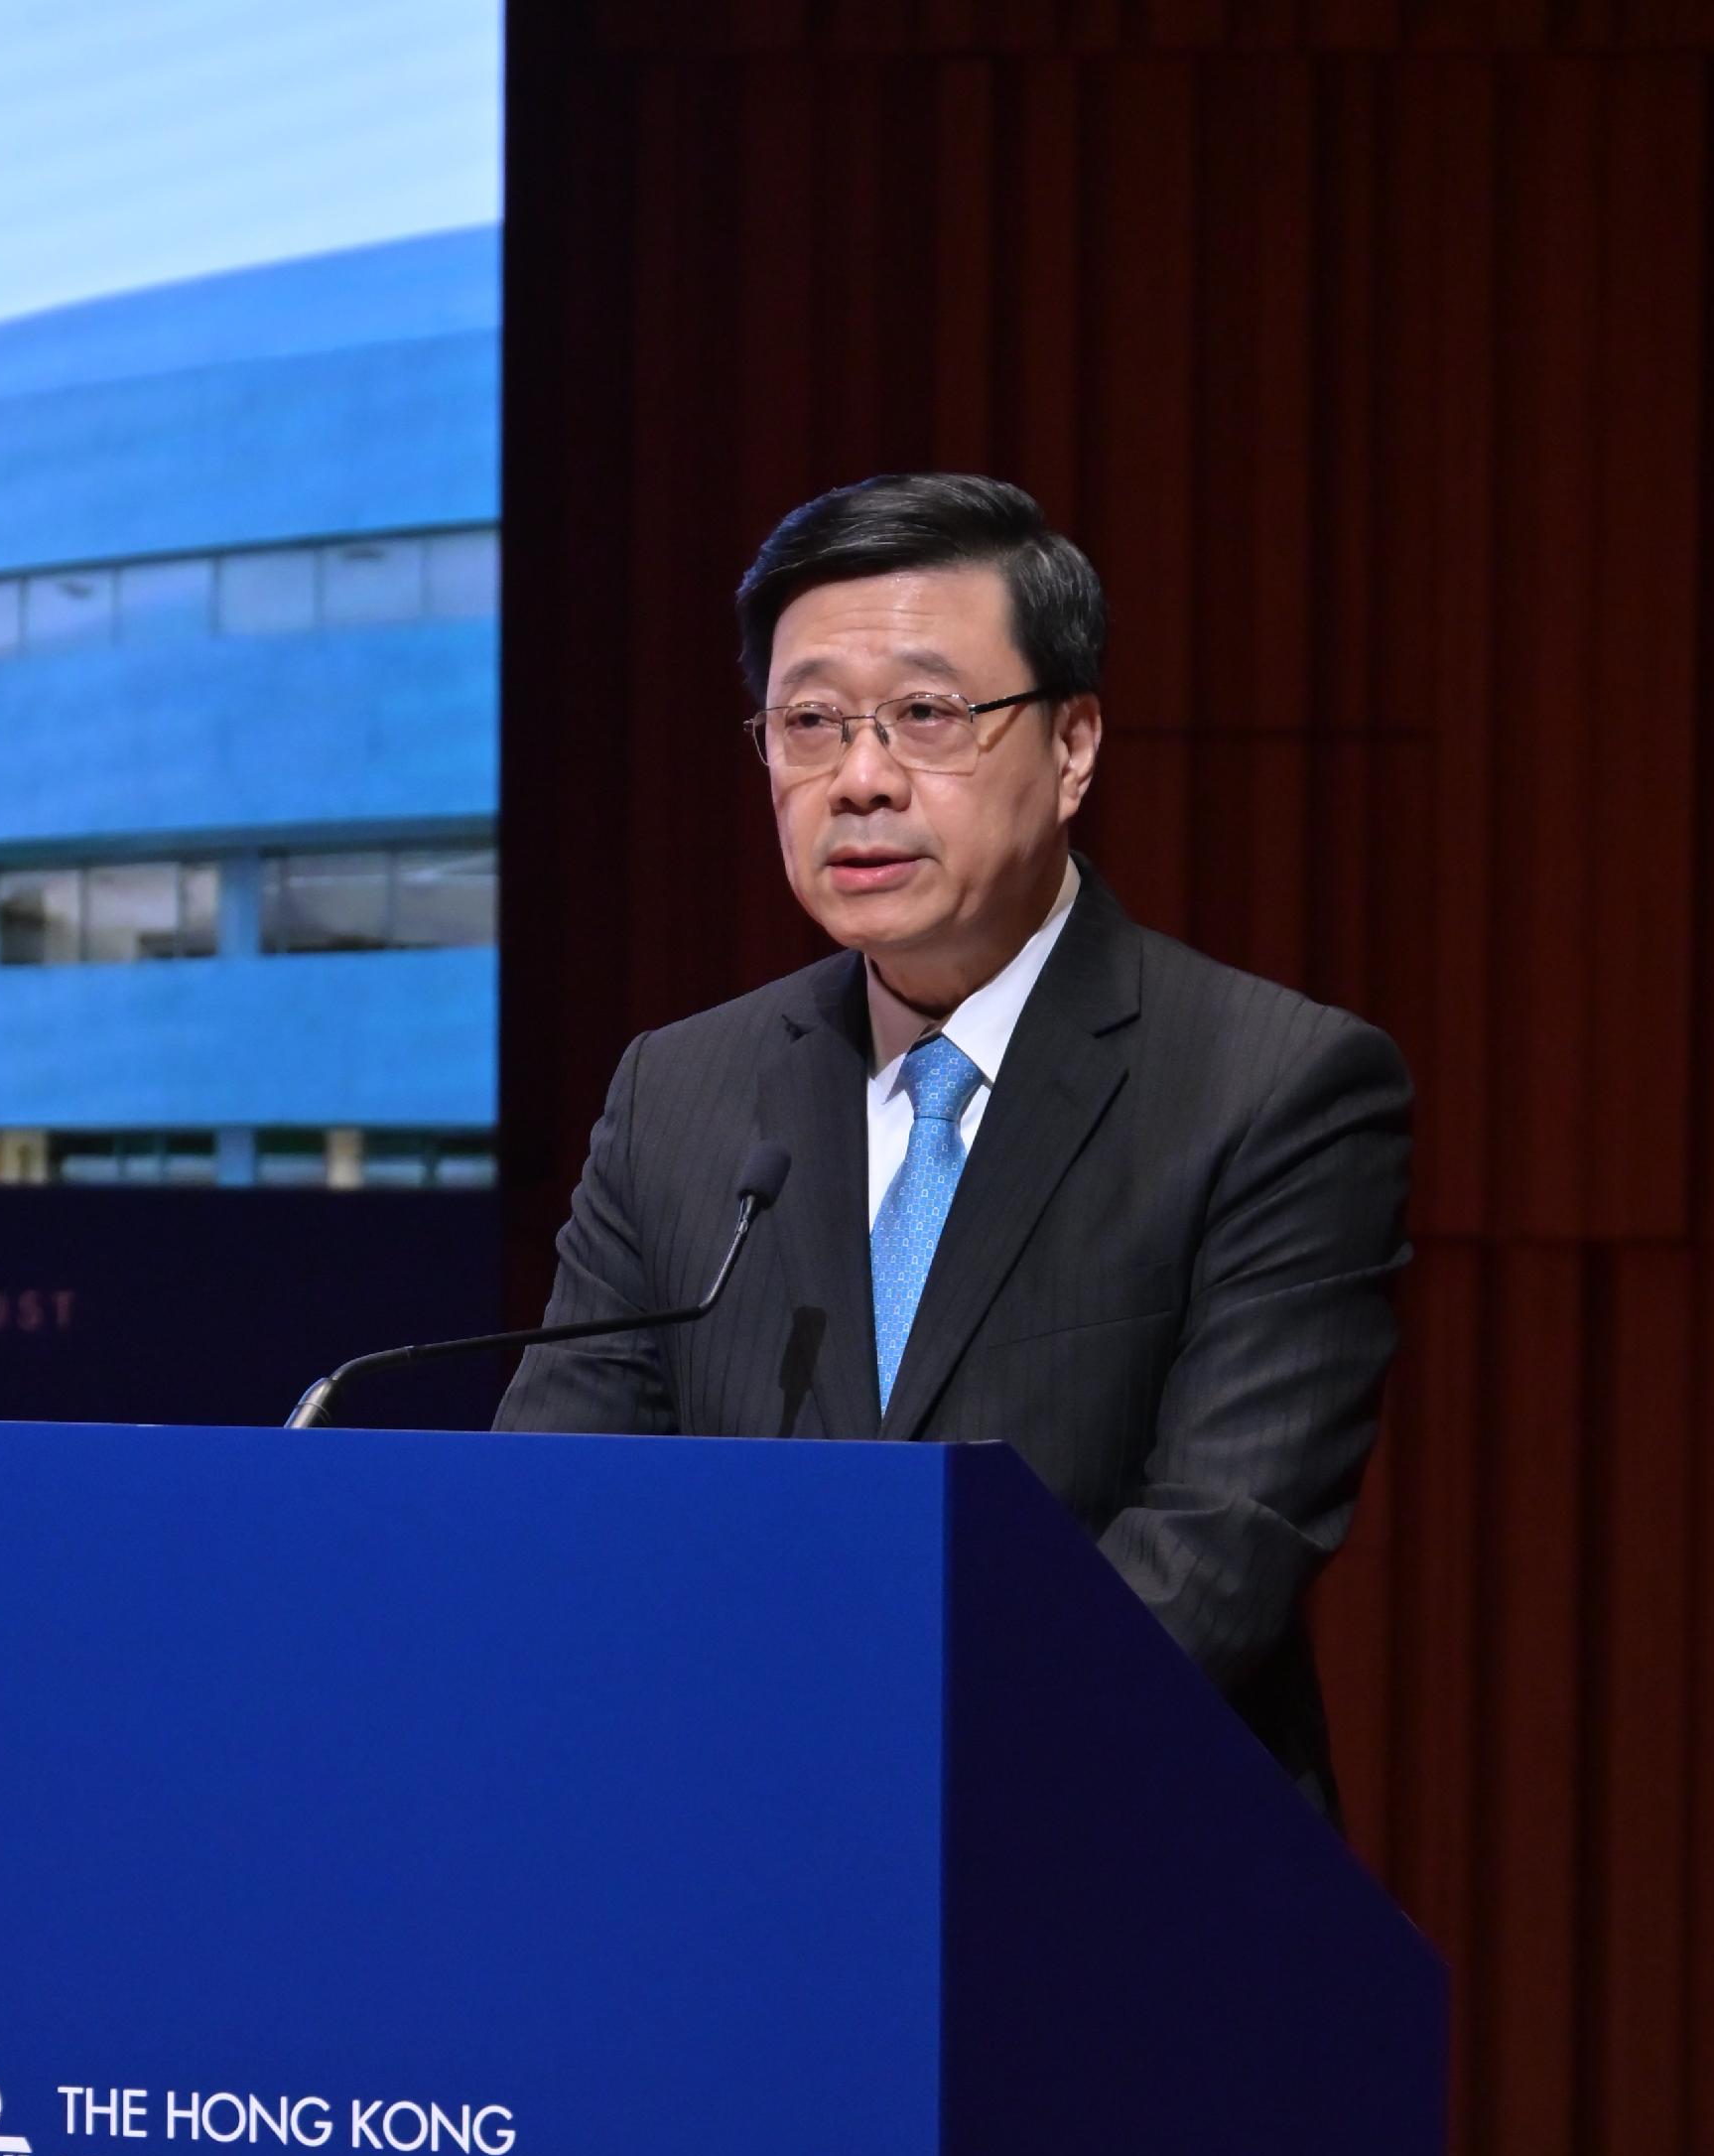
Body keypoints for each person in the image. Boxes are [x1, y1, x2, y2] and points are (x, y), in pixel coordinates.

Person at [494, 472, 1411, 1806]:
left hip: (1098, 1867)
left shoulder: (1274, 1087)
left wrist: (846, 1760)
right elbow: (557, 1516)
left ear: (1074, 743)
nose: (859, 781)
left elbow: (1219, 1551)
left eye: (926, 716)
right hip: (715, 1852)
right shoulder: (681, 1090)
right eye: (807, 724)